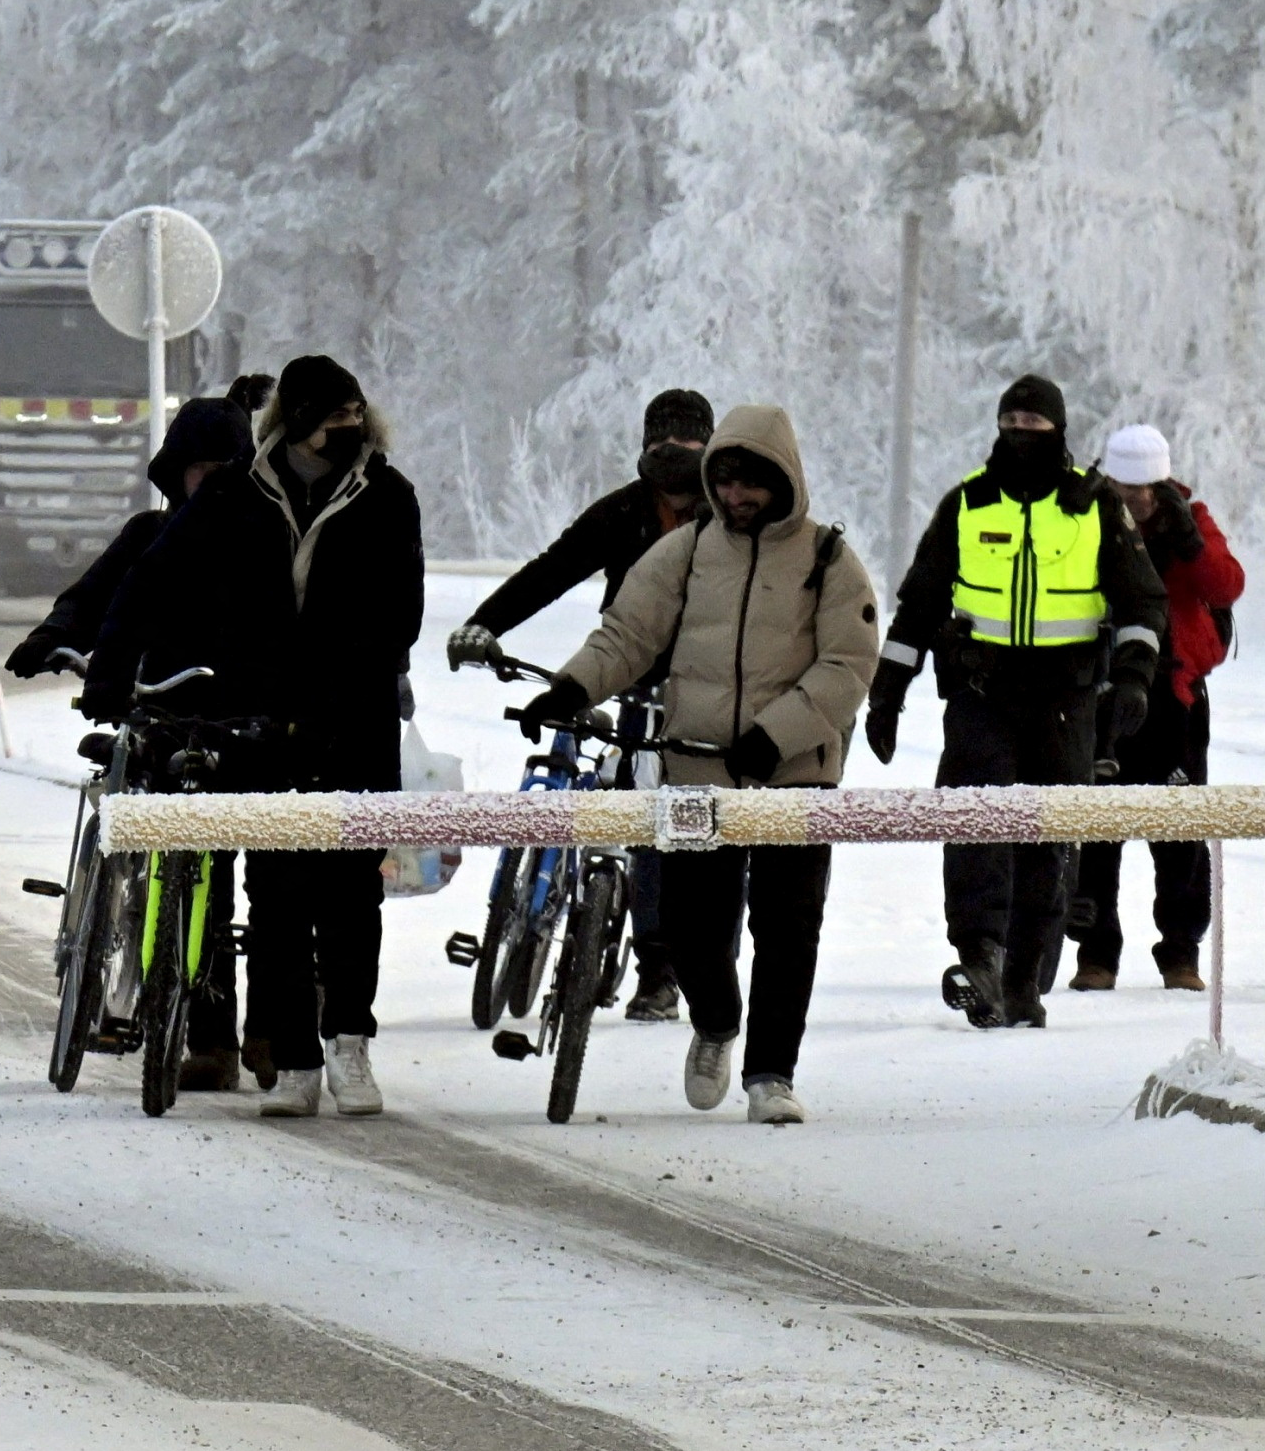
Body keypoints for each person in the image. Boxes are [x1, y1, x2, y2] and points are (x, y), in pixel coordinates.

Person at [525, 406, 880, 1125]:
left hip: (797, 777)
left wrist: (775, 735)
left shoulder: (829, 560)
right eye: (725, 482)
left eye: (753, 483)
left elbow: (849, 663)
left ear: (786, 482)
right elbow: (627, 635)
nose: (737, 497)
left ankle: (772, 1074)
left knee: (787, 931)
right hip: (697, 773)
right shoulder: (684, 553)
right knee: (691, 925)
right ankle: (716, 1023)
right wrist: (570, 687)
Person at [128, 356, 422, 1116]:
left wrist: (332, 686)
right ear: (295, 419)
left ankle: (350, 1044)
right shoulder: (235, 495)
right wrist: (129, 661)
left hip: (354, 726)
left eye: (356, 413)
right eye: (333, 416)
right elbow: (159, 573)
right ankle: (294, 1057)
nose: (348, 428)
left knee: (354, 892)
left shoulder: (388, 497)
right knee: (277, 895)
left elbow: (399, 618)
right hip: (263, 726)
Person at [872, 375, 1169, 1030]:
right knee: (975, 822)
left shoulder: (1094, 507)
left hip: (1067, 700)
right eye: (1012, 420)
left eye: (1035, 423)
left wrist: (1134, 675)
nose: (1022, 433)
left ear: (1059, 430)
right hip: (982, 695)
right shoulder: (968, 503)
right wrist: (887, 691)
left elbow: (1143, 600)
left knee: (1047, 836)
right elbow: (919, 603)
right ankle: (980, 954)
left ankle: (1026, 976)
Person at [449, 387, 719, 1022]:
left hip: (703, 696)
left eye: (688, 441)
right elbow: (554, 569)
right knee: (624, 801)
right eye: (661, 440)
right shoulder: (623, 512)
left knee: (665, 828)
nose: (673, 453)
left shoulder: (727, 522)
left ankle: (658, 970)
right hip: (625, 674)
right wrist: (486, 624)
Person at [13, 397, 254, 1087]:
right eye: (196, 468)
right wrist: (53, 636)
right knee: (147, 843)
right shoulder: (149, 533)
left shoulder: (257, 544)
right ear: (175, 473)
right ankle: (109, 953)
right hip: (149, 715)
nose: (206, 482)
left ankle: (215, 1037)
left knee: (215, 879)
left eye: (222, 469)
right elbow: (92, 598)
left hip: (228, 728)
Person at [1071, 425, 1237, 992]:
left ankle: (1181, 955)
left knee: (1181, 832)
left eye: (1146, 488)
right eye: (1125, 488)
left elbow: (1226, 586)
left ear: (1162, 483)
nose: (1136, 500)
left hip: (1177, 696)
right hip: (1102, 689)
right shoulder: (1084, 517)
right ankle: (1096, 955)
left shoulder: (1190, 518)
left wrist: (1191, 541)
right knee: (1097, 828)